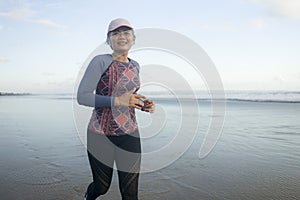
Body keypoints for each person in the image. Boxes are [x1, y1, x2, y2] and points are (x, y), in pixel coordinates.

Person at [77, 18, 155, 200]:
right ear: (109, 39)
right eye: (116, 33)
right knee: (102, 187)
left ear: (133, 38)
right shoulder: (100, 61)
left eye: (126, 32)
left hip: (130, 133)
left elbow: (129, 97)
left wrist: (144, 105)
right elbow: (83, 96)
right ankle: (90, 194)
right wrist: (118, 100)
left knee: (130, 193)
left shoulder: (135, 65)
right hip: (100, 135)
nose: (122, 36)